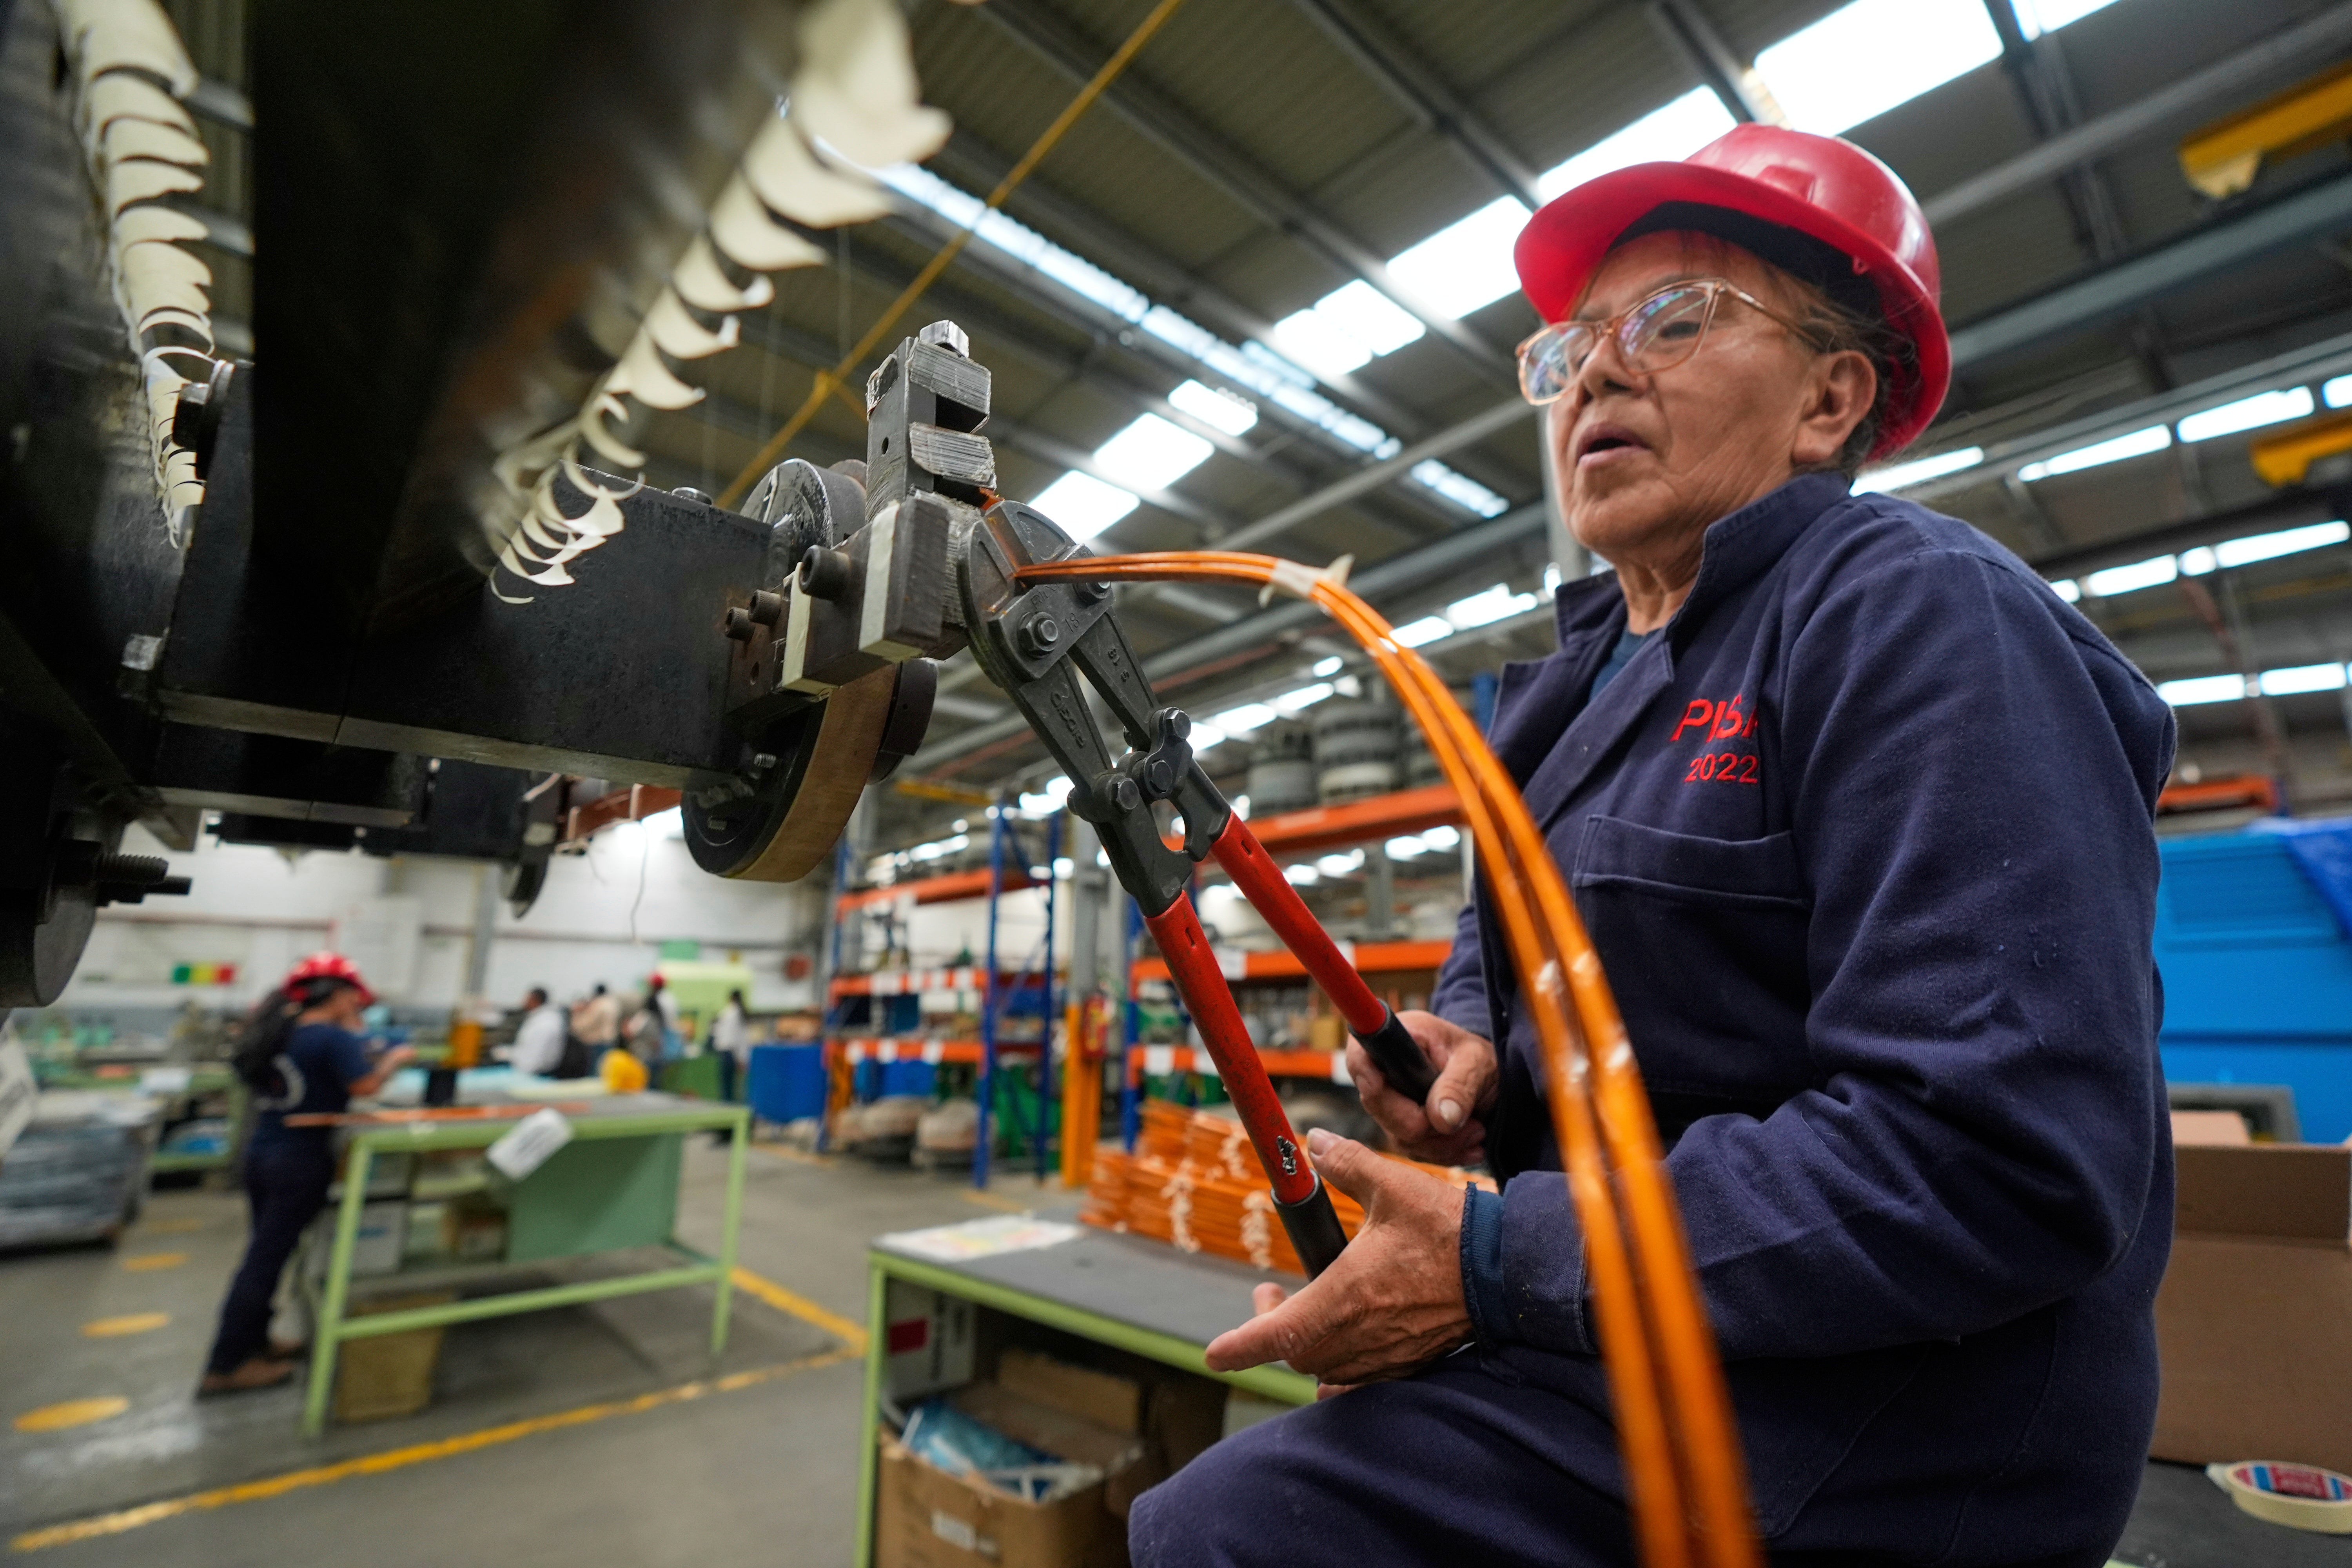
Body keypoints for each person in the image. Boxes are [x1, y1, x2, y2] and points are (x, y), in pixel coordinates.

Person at [1132, 125, 2173, 1568]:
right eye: (1569, 349)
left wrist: (1499, 1255)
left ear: (1831, 397)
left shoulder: (1918, 618)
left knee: (1229, 1534)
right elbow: (1496, 972)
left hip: (1888, 1423)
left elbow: (1997, 1157)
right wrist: (1465, 1065)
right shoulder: (1562, 696)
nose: (1598, 372)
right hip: (1639, 1335)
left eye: (1674, 320)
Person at [201, 953, 414, 1395]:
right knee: (264, 1261)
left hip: (264, 1154)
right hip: (300, 1161)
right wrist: (395, 1059)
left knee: (266, 1253)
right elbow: (365, 1087)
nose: (358, 1008)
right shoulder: (332, 1039)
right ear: (339, 995)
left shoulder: (281, 1032)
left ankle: (256, 1343)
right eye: (354, 1000)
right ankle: (228, 1363)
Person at [508, 986, 567, 1078]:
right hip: (527, 1068)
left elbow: (536, 1058)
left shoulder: (546, 1022)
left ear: (534, 1000)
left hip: (535, 1074)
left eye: (527, 999)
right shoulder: (539, 1018)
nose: (524, 1002)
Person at [710, 988, 750, 1103]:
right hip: (732, 1052)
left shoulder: (727, 1013)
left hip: (726, 1051)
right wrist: (742, 1057)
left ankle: (727, 1106)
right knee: (731, 1085)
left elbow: (719, 1033)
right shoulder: (737, 1014)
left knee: (726, 1085)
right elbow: (741, 1039)